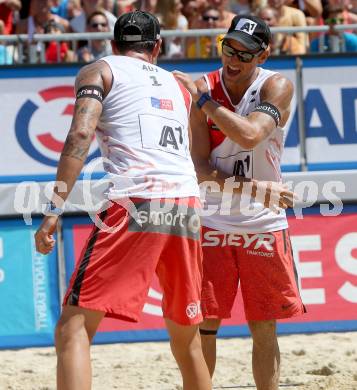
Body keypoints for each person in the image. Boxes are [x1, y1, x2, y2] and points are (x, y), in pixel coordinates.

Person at [35, 10, 212, 390]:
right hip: (185, 204)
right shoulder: (178, 86)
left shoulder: (99, 70)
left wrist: (54, 209)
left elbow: (80, 136)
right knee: (187, 341)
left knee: (74, 328)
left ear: (113, 44)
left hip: (137, 201)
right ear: (158, 47)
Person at [174, 14, 305, 390]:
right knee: (205, 326)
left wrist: (203, 102)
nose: (233, 58)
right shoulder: (207, 84)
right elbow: (198, 168)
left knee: (263, 327)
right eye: (228, 48)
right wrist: (255, 190)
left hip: (262, 223)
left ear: (262, 57)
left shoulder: (276, 86)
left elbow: (249, 136)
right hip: (214, 218)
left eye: (244, 54)